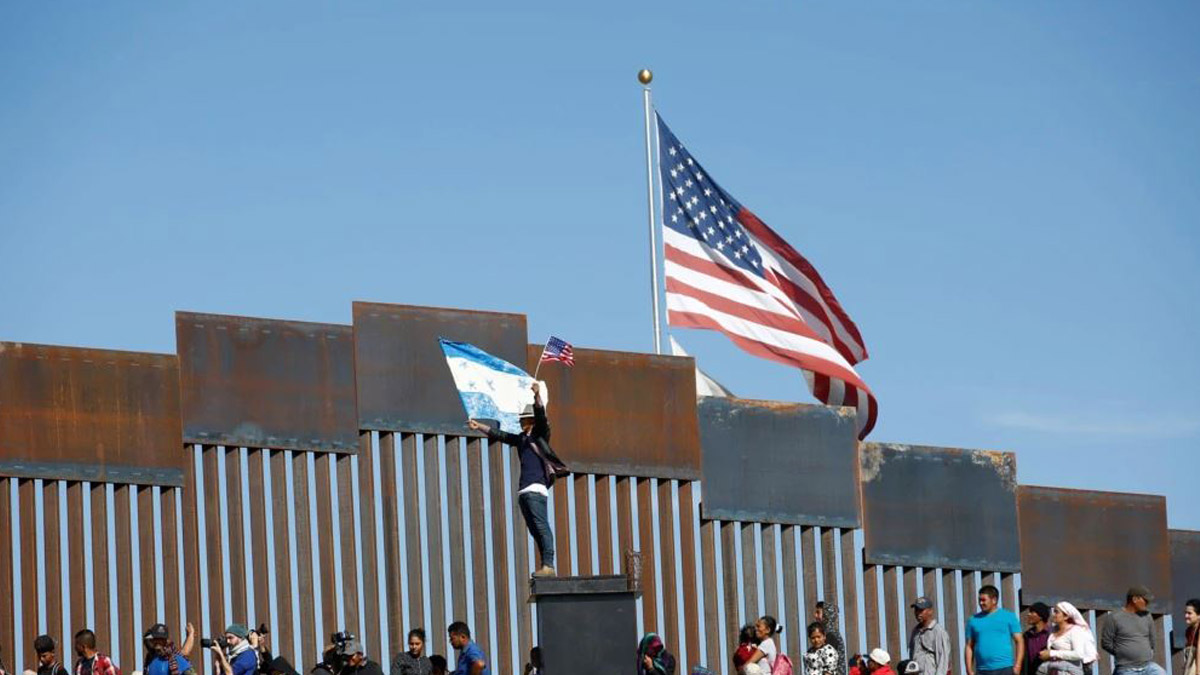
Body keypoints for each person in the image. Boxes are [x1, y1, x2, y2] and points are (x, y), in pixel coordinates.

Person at [468, 382, 566, 578]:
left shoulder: (540, 434)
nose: (520, 422)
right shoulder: (521, 439)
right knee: (535, 530)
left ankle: (549, 565)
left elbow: (541, 415)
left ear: (531, 420)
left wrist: (537, 395)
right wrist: (479, 427)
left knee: (541, 527)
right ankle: (545, 566)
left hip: (536, 489)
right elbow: (502, 435)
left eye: (524, 419)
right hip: (524, 492)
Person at [1100, 587, 1165, 675]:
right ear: (1134, 599)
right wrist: (1122, 652)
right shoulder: (1114, 617)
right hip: (1126, 668)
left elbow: (1152, 639)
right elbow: (1106, 643)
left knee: (1161, 672)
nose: (1147, 603)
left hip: (1147, 666)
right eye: (1145, 600)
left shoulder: (1147, 616)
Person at [965, 585, 1024, 675]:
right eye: (979, 600)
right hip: (982, 670)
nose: (980, 603)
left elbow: (1019, 641)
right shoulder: (973, 620)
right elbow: (969, 646)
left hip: (1004, 669)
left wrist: (1018, 666)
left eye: (983, 600)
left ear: (994, 600)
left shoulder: (1009, 616)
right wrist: (969, 670)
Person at [1036, 602, 1096, 675]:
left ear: (1066, 616)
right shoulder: (1052, 630)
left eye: (1056, 612)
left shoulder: (1075, 631)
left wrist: (1052, 653)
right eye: (1053, 612)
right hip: (1053, 670)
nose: (1053, 615)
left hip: (1070, 671)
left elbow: (1079, 654)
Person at [908, 597, 950, 675]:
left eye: (921, 610)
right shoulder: (915, 632)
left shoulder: (938, 632)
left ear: (930, 611)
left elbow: (943, 661)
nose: (918, 613)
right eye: (916, 610)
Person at [814, 603, 846, 675]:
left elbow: (828, 663)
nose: (815, 616)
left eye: (818, 613)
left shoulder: (830, 636)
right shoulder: (830, 633)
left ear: (826, 615)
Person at [1022, 605, 1051, 675]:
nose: (1028, 614)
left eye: (1032, 612)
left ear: (1041, 616)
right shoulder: (1027, 635)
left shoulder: (1052, 634)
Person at [1182, 598, 1199, 675]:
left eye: (1189, 613)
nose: (1186, 616)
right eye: (1185, 613)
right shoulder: (1188, 631)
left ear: (1198, 615)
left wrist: (1198, 671)